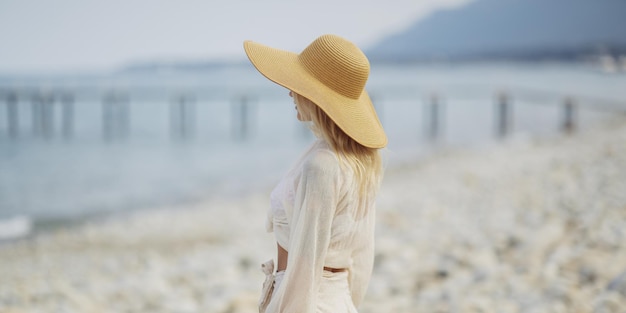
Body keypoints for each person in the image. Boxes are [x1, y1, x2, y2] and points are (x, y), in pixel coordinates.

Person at [243, 34, 387, 313]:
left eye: (297, 85)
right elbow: (361, 257)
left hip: (308, 302)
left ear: (317, 97)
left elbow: (305, 263)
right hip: (336, 300)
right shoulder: (357, 160)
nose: (290, 92)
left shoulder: (321, 165)